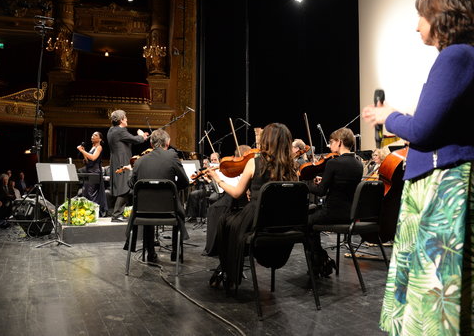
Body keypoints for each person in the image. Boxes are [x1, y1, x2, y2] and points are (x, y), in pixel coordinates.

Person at [362, 0, 474, 335]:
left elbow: (424, 130)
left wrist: (388, 116)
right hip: (442, 181)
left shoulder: (456, 55)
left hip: (442, 187)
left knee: (434, 293)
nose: (416, 25)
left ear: (440, 15)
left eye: (421, 16)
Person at [206, 123, 298, 288]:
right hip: (283, 224)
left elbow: (236, 193)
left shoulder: (254, 163)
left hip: (258, 221)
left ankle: (228, 271)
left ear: (266, 141)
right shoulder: (292, 167)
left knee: (225, 222)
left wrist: (217, 178)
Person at [125, 129, 190, 263]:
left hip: (143, 212)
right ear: (168, 142)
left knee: (148, 206)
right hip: (169, 210)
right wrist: (171, 188)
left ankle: (151, 254)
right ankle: (175, 253)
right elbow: (185, 181)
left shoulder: (139, 162)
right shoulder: (172, 157)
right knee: (176, 209)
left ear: (151, 143)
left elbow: (131, 184)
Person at [307, 128, 364, 274]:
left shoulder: (334, 163)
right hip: (350, 215)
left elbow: (321, 192)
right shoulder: (358, 164)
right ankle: (320, 262)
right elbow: (343, 186)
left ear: (339, 142)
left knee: (306, 222)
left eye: (331, 142)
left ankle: (321, 260)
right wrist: (326, 180)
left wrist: (307, 185)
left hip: (332, 213)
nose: (329, 145)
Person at [107, 110, 148, 222]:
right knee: (124, 188)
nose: (127, 120)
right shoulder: (120, 131)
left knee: (124, 187)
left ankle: (118, 213)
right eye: (125, 118)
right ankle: (116, 215)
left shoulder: (112, 130)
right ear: (121, 120)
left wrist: (142, 136)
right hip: (122, 161)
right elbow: (135, 140)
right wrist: (141, 136)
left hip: (116, 160)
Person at [77, 131, 108, 216]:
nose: (92, 136)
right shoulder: (92, 147)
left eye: (95, 135)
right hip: (89, 171)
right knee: (86, 191)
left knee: (92, 193)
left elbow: (93, 158)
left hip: (94, 172)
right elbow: (87, 160)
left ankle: (93, 212)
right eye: (92, 135)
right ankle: (88, 211)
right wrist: (83, 152)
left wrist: (82, 151)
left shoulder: (99, 147)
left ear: (100, 139)